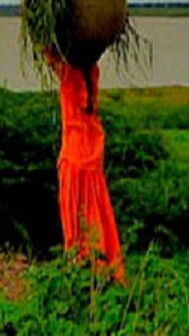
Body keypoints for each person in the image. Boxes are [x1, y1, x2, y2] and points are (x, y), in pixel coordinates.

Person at [46, 48, 125, 282]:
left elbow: (49, 54)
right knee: (97, 215)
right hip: (92, 154)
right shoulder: (93, 72)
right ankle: (102, 268)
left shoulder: (69, 74)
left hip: (75, 157)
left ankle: (83, 271)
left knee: (76, 220)